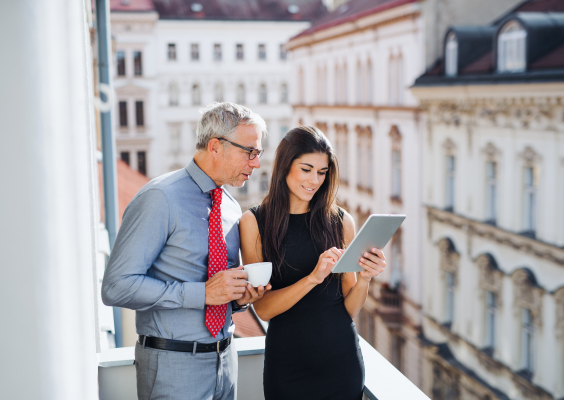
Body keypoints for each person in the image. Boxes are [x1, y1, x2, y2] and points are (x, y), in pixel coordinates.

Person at [102, 102, 272, 400]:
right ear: (216, 146)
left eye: (257, 153)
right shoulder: (160, 198)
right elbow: (116, 287)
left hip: (226, 363)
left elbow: (219, 291)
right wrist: (202, 294)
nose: (256, 164)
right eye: (250, 152)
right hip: (173, 368)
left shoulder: (231, 207)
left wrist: (239, 300)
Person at [239, 126, 387, 400]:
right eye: (306, 169)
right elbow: (263, 309)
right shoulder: (254, 222)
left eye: (322, 172)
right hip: (287, 368)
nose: (315, 180)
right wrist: (313, 277)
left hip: (341, 365)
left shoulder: (341, 222)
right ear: (285, 166)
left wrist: (365, 277)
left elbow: (348, 309)